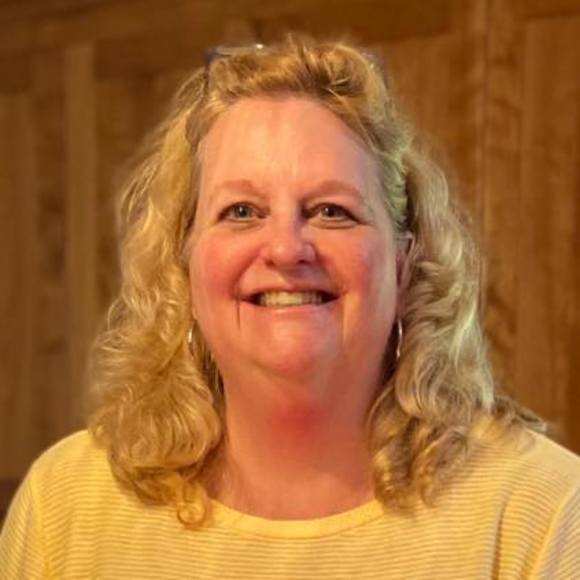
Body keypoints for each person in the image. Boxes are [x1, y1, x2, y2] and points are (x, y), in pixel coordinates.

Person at [1, 34, 579, 579]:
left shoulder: (543, 514)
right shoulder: (66, 504)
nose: (285, 248)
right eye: (241, 212)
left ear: (405, 263)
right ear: (184, 265)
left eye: (332, 211)